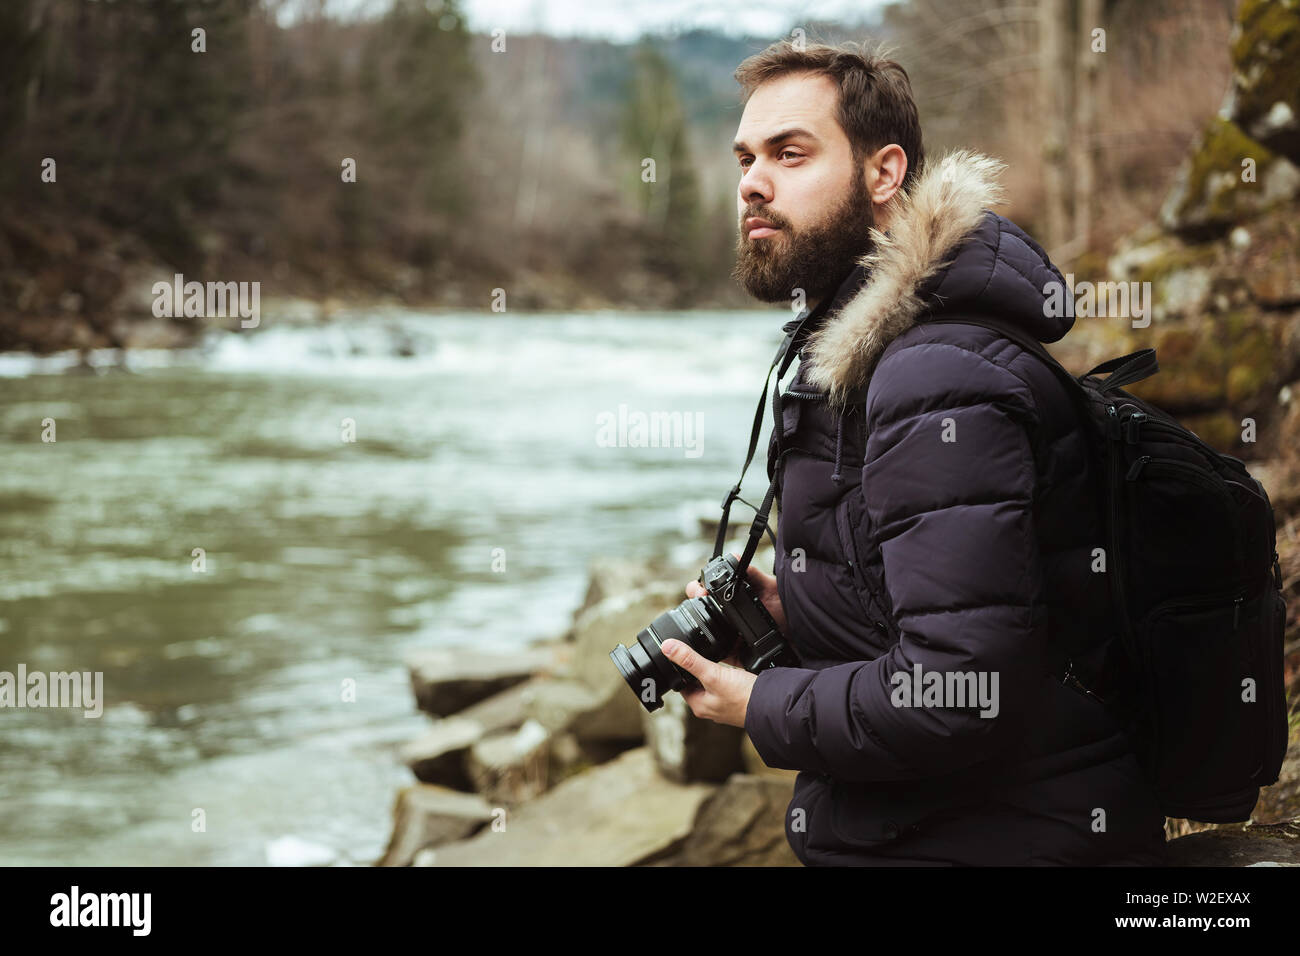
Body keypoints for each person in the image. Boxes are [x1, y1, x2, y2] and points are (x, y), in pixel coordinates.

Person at [659, 38, 1168, 866]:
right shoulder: (875, 354)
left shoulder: (936, 376)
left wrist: (761, 702)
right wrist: (806, 604)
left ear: (884, 174)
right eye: (746, 158)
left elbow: (963, 693)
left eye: (791, 154)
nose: (753, 181)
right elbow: (967, 609)